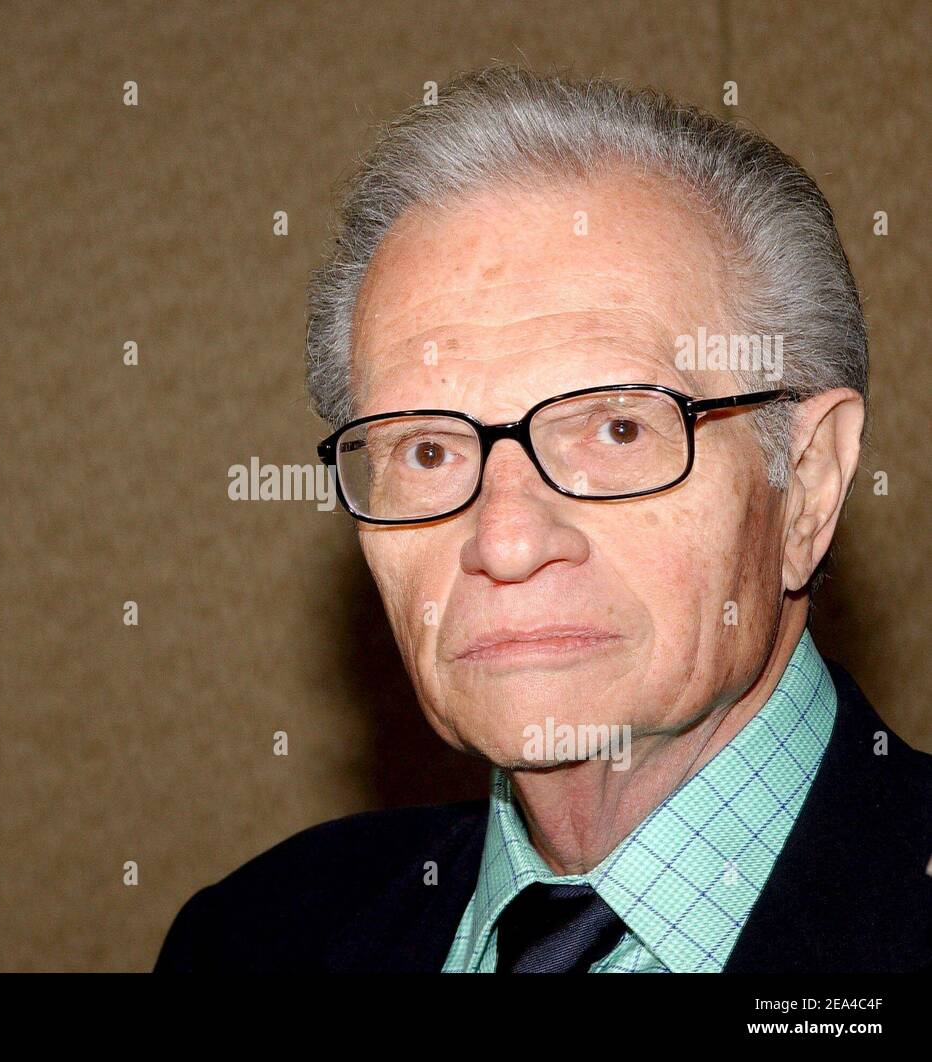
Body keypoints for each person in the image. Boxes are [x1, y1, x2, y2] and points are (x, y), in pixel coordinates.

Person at [154, 65, 932, 973]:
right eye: (428, 451)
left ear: (808, 481)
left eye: (617, 429)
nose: (507, 541)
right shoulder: (250, 938)